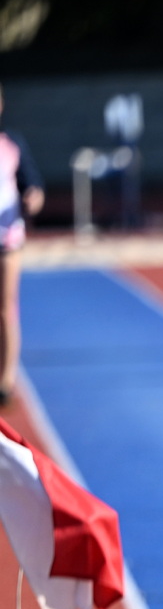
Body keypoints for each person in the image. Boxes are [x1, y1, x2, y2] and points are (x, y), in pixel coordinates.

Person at [0, 84, 44, 407]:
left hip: (7, 240)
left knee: (5, 307)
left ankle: (6, 379)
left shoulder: (12, 143)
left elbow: (33, 183)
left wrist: (34, 198)